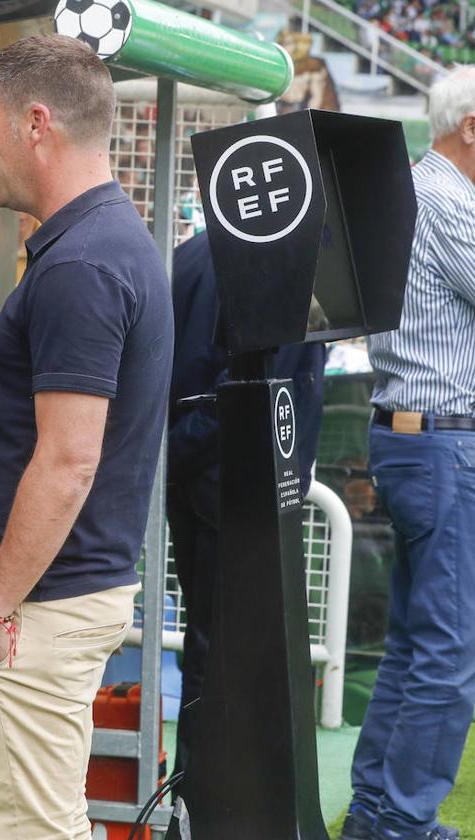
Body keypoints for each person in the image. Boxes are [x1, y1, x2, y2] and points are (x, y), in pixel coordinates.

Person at [0, 34, 173, 839]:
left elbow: (70, 459)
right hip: (55, 599)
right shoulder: (103, 239)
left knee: (30, 831)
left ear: (36, 123)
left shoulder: (83, 262)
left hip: (34, 607)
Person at [339, 66, 475, 840]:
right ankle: (399, 826)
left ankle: (378, 816)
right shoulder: (445, 198)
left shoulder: (425, 190)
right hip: (440, 444)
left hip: (421, 438)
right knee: (448, 657)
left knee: (419, 646)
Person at [165, 230, 326, 818]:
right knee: (231, 659)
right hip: (241, 489)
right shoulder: (270, 256)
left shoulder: (188, 254)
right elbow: (243, 391)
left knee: (213, 650)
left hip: (206, 483)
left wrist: (178, 457)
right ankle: (207, 805)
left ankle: (198, 801)